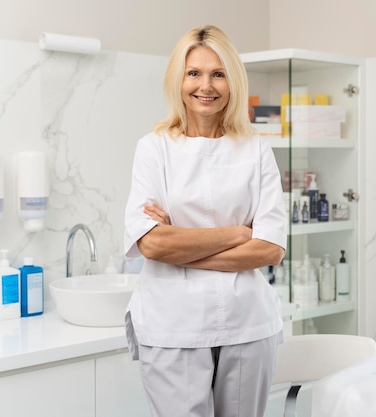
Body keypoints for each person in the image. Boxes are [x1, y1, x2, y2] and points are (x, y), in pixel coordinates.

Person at [123, 25, 287, 417]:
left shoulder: (256, 149)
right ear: (177, 79)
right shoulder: (154, 148)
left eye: (218, 73)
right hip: (172, 325)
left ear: (233, 81)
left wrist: (179, 243)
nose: (206, 85)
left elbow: (270, 248)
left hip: (247, 323)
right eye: (193, 73)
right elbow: (152, 244)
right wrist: (236, 233)